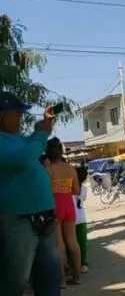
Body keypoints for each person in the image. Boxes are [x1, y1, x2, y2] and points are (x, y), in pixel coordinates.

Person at [0, 92, 61, 296]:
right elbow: (25, 158)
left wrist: (44, 126)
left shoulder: (16, 139)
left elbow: (31, 144)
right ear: (2, 116)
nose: (20, 116)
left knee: (50, 278)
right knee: (16, 282)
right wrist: (43, 135)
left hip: (43, 217)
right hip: (19, 221)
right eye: (16, 112)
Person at [46, 137, 83, 287]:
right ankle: (77, 276)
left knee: (59, 244)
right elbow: (77, 190)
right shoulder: (70, 168)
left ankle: (62, 280)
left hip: (54, 204)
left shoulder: (48, 169)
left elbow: (44, 189)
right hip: (68, 203)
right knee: (72, 241)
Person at [73, 166, 90, 273]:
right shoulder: (84, 189)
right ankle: (83, 263)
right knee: (82, 243)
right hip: (81, 218)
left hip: (73, 219)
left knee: (74, 243)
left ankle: (76, 264)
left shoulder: (70, 187)